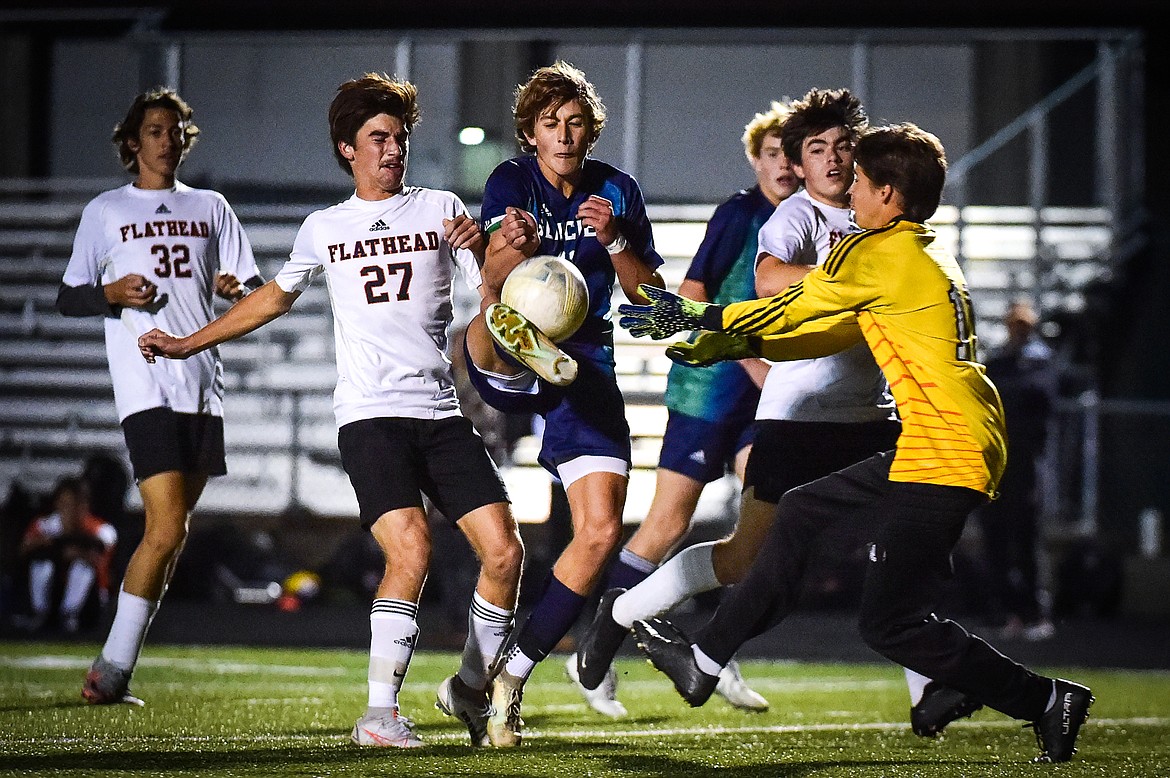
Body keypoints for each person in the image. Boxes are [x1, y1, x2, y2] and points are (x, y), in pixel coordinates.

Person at [619, 122, 1094, 764]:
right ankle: (704, 658)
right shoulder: (914, 249)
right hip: (946, 435)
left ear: (890, 192)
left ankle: (1044, 700)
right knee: (806, 510)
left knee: (889, 623)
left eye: (863, 182)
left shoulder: (875, 253)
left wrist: (705, 322)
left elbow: (797, 306)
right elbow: (825, 332)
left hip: (942, 447)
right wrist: (724, 339)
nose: (852, 193)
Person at [137, 73, 525, 749]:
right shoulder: (323, 226)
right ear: (348, 149)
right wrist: (184, 340)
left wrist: (491, 250)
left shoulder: (440, 207)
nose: (392, 149)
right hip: (369, 417)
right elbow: (270, 299)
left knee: (505, 553)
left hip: (439, 413)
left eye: (400, 138)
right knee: (410, 548)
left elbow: (491, 302)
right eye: (378, 138)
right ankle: (379, 714)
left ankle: (467, 687)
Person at [579, 87, 974, 737]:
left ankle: (929, 689)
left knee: (910, 543)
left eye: (844, 146)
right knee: (744, 561)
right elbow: (767, 283)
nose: (834, 159)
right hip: (800, 415)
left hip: (873, 414)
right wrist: (841, 286)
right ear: (800, 162)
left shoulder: (878, 222)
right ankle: (620, 616)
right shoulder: (795, 217)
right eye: (817, 149)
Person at [569, 100, 800, 716]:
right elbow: (692, 294)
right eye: (771, 153)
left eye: (790, 153)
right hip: (714, 386)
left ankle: (715, 652)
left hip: (769, 394)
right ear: (756, 159)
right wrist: (750, 357)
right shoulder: (740, 214)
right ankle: (596, 649)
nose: (783, 164)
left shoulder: (807, 218)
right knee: (667, 525)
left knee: (763, 527)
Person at [458, 60, 664, 743]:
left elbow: (648, 298)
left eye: (576, 123)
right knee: (494, 313)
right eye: (552, 124)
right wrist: (505, 251)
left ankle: (510, 673)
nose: (566, 134)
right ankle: (512, 340)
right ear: (531, 133)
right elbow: (488, 268)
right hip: (514, 363)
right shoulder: (511, 183)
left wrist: (614, 240)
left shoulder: (617, 191)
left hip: (585, 367)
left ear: (590, 130)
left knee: (602, 533)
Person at [57, 87, 262, 706]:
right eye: (153, 130)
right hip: (145, 382)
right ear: (131, 142)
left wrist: (234, 287)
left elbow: (250, 286)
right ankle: (110, 669)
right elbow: (69, 297)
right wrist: (112, 292)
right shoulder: (106, 211)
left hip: (202, 385)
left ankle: (117, 668)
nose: (166, 139)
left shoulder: (210, 205)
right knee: (166, 525)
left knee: (170, 534)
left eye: (173, 130)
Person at [978, 300, 1058, 641]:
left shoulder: (1040, 364)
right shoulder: (999, 362)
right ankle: (1006, 611)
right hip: (997, 461)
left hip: (1026, 463)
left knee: (1026, 538)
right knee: (995, 537)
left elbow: (1041, 397)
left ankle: (1035, 612)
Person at [18, 477, 117, 634]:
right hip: (54, 590)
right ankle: (39, 612)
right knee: (41, 564)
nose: (70, 510)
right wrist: (57, 548)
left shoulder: (102, 529)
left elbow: (98, 557)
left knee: (82, 567)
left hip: (91, 599)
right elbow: (24, 550)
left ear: (85, 505)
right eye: (65, 504)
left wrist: (66, 549)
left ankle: (70, 615)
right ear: (57, 503)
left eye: (75, 505)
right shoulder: (45, 525)